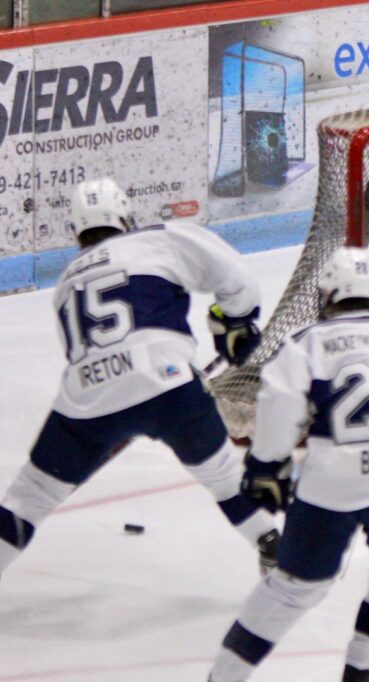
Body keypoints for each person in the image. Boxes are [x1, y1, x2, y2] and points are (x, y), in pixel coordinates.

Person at [0, 177, 278, 581]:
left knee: (30, 498)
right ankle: (272, 545)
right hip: (169, 388)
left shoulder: (66, 282)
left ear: (75, 230)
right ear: (126, 215)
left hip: (87, 402)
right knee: (222, 476)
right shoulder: (159, 239)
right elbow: (237, 276)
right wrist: (235, 321)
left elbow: (86, 354)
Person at [207, 247, 369, 682]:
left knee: (292, 588)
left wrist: (267, 465)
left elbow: (280, 402)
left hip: (333, 483)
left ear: (328, 295)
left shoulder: (309, 340)